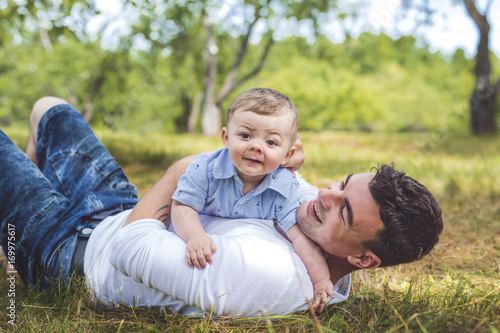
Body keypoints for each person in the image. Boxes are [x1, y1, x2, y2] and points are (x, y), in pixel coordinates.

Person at [0, 96, 443, 318]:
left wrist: (179, 172)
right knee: (49, 109)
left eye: (343, 210)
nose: (322, 196)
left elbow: (126, 251)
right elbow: (294, 178)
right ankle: (14, 235)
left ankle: (25, 250)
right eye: (341, 185)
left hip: (74, 250)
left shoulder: (267, 272)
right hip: (120, 208)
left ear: (364, 258)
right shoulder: (317, 226)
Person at [170, 87, 334, 310]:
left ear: (287, 155)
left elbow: (301, 240)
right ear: (226, 138)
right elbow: (182, 206)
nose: (256, 146)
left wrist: (321, 280)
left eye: (271, 142)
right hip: (193, 232)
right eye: (245, 136)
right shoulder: (206, 168)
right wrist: (195, 236)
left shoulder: (284, 187)